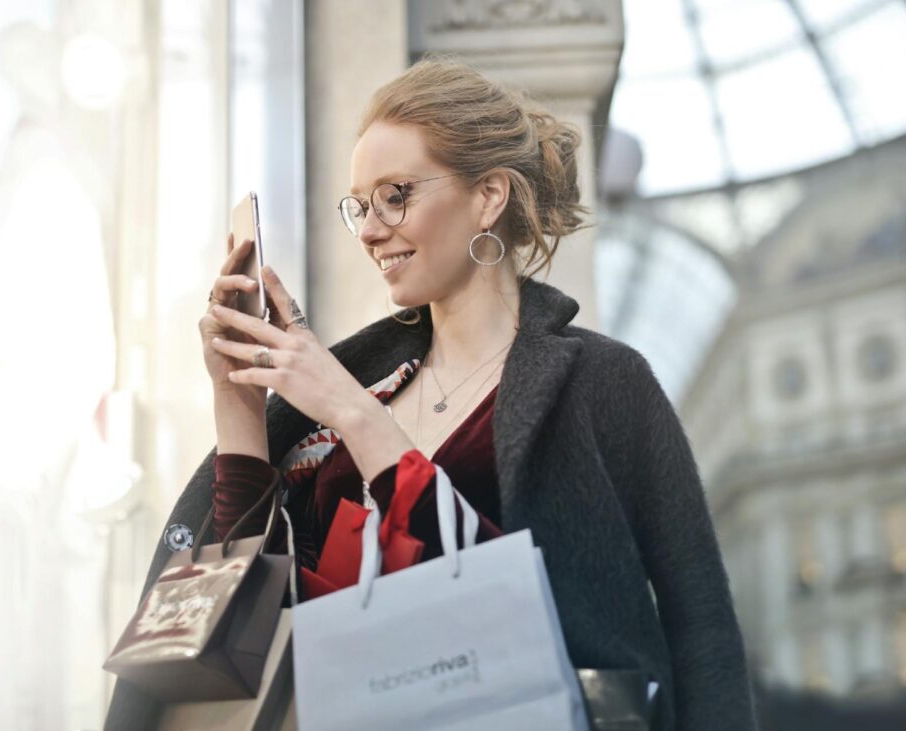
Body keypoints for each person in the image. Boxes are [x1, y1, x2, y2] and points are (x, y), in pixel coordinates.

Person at [105, 59, 757, 731]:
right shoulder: (351, 387)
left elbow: (701, 627)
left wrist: (355, 414)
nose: (368, 229)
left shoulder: (605, 383)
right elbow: (248, 612)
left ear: (488, 196)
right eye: (360, 204)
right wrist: (238, 403)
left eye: (397, 194)